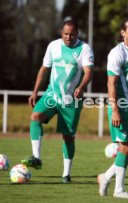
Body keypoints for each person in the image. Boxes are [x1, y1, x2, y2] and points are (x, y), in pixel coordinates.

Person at [21, 17, 94, 183]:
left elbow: (88, 72)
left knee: (68, 137)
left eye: (72, 34)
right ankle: (36, 157)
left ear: (77, 34)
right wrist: (35, 92)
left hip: (71, 100)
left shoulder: (85, 49)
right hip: (51, 95)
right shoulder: (53, 46)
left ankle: (66, 174)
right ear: (62, 33)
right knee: (35, 117)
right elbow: (44, 69)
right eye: (65, 34)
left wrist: (81, 87)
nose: (68, 37)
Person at [97, 18, 128, 199]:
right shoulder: (116, 53)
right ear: (123, 32)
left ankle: (106, 176)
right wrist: (115, 110)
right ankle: (119, 190)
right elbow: (111, 82)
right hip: (121, 106)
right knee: (125, 147)